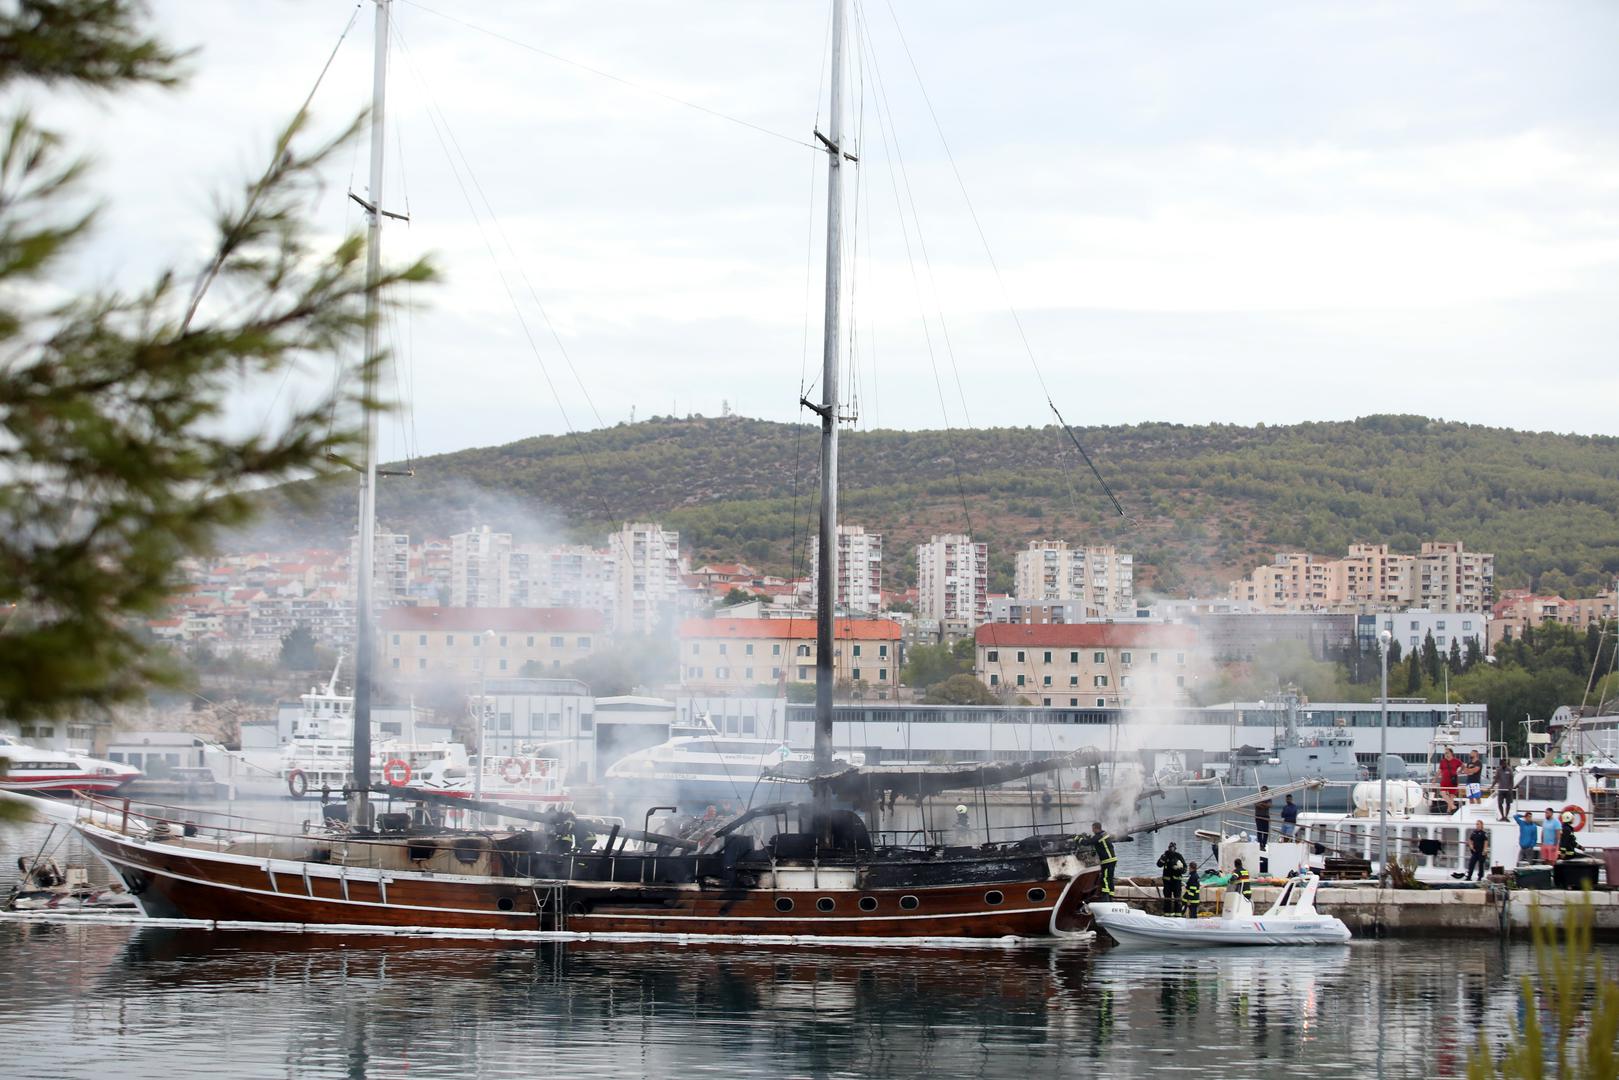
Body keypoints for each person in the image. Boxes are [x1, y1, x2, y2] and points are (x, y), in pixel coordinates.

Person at [1157, 842, 1187, 915]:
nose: (1171, 849)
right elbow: (1159, 865)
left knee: (1177, 898)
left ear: (1175, 848)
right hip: (1167, 882)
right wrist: (1162, 859)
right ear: (1168, 848)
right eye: (1170, 847)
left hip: (1177, 882)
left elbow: (1185, 868)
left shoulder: (1178, 856)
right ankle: (1167, 914)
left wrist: (1178, 869)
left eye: (1173, 848)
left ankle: (1178, 914)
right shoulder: (1165, 856)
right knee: (1167, 898)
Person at [1089, 821, 1118, 897]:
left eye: (1093, 829)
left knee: (1104, 878)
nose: (1092, 831)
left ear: (1095, 828)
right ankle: (1111, 895)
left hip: (1107, 861)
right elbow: (1100, 845)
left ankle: (1105, 896)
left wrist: (1079, 839)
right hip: (1112, 859)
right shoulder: (1104, 834)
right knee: (1110, 878)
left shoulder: (1098, 836)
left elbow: (1088, 842)